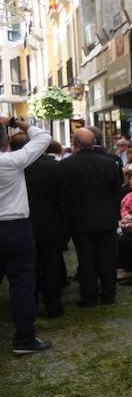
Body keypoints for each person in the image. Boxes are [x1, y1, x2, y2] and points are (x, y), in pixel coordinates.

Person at [0, 116, 53, 354]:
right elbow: (44, 137)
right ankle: (23, 338)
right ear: (6, 142)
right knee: (22, 284)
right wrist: (13, 121)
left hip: (14, 228)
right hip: (14, 228)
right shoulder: (12, 160)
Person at [60, 127, 123, 307]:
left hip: (80, 219)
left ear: (75, 144)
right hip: (106, 218)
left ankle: (89, 295)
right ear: (94, 142)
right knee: (107, 257)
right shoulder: (110, 163)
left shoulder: (66, 165)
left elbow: (64, 193)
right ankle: (108, 294)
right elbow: (117, 190)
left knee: (86, 258)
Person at [11, 133, 66, 318]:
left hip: (22, 224)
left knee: (25, 270)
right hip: (51, 223)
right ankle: (53, 306)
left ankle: (29, 307)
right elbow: (64, 198)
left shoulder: (13, 168)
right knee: (51, 266)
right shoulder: (55, 167)